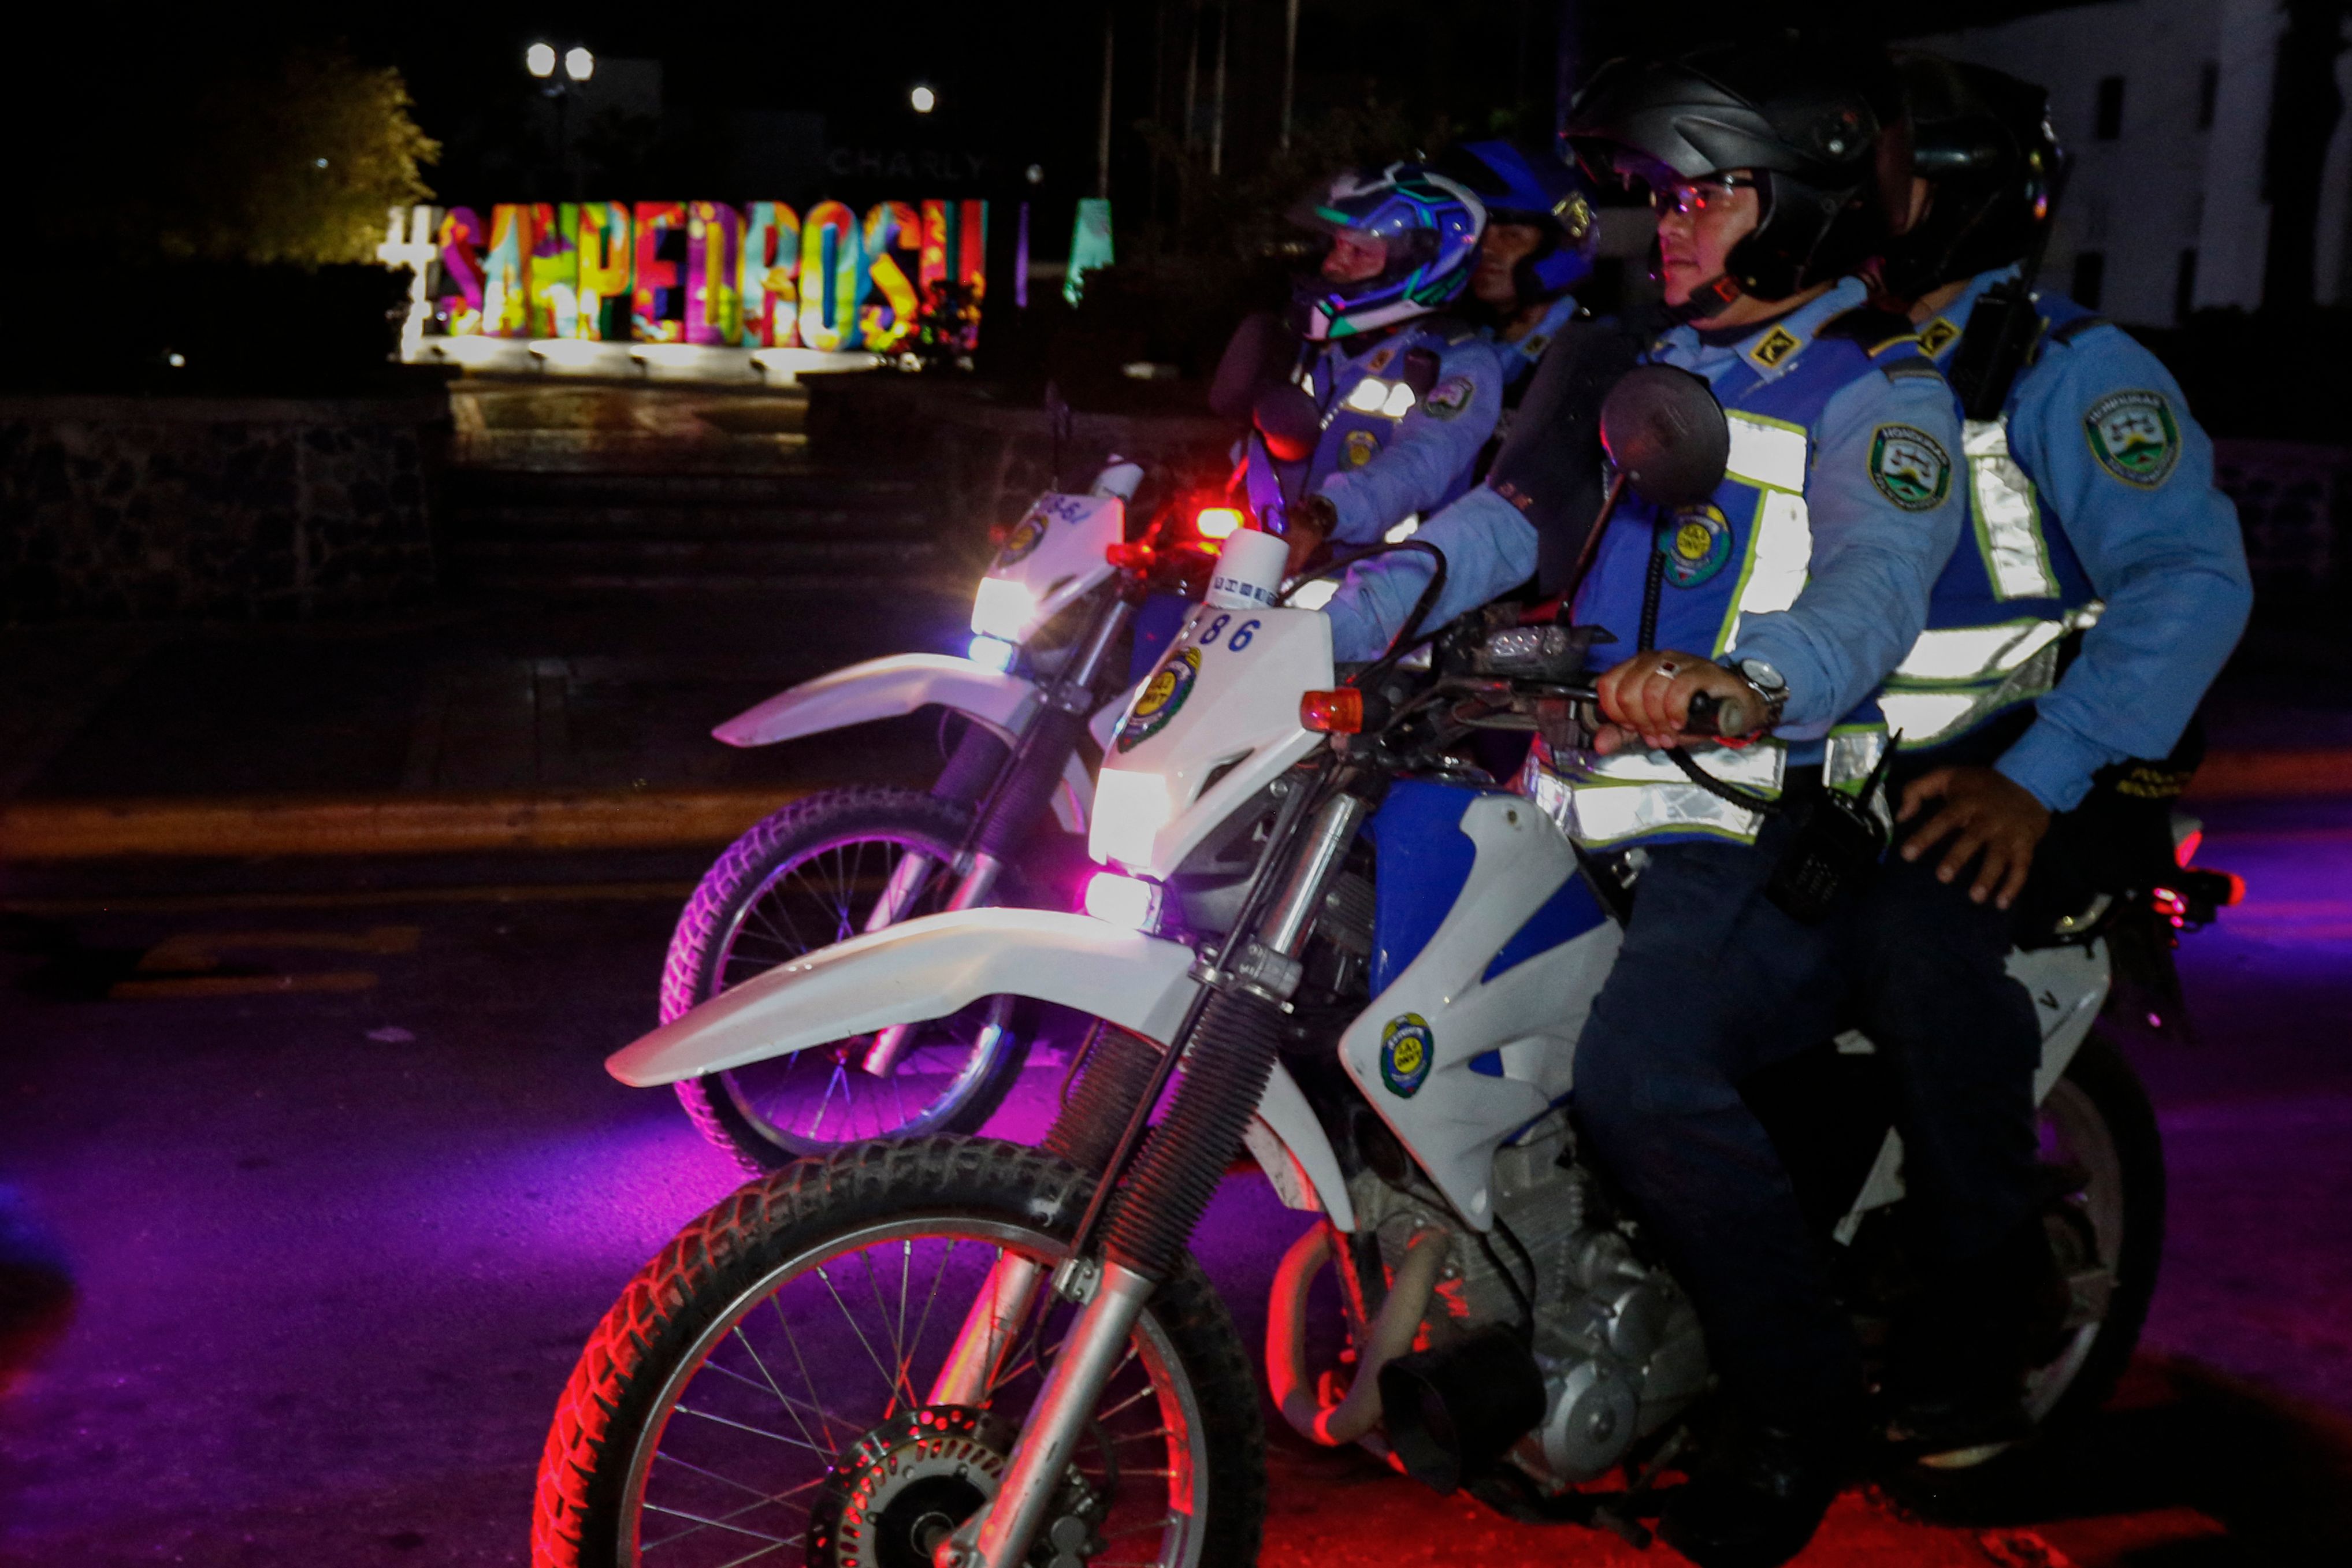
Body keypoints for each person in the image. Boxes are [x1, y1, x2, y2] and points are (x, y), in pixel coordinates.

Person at [1533, 43, 1964, 1567]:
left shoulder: (1876, 393)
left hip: (1763, 810)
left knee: (1640, 1073)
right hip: (1599, 789)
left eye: (1704, 196)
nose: (1669, 225)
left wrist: (1748, 680)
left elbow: (1873, 581)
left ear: (1791, 204)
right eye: (1661, 197)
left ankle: (1795, 1398)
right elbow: (1548, 554)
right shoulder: (1669, 370)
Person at [1845, 55, 2253, 1458]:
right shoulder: (1823, 352)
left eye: (1874, 171)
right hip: (1847, 758)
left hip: (2036, 763)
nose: (1843, 198)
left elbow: (2191, 580)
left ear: (1950, 197)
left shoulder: (2069, 371)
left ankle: (1972, 1303)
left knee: (1912, 930)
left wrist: (2042, 770)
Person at [1209, 162, 1506, 577]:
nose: (1333, 265)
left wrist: (1323, 516)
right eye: (1336, 247)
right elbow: (1260, 456)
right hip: (1271, 580)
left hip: (1388, 603)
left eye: (1359, 252)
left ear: (1418, 264)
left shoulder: (1459, 362)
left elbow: (1420, 463)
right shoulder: (1311, 350)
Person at [1440, 138, 1600, 397]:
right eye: (1478, 235)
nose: (1485, 250)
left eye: (1511, 236)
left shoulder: (1592, 355)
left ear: (1566, 242)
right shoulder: (1457, 343)